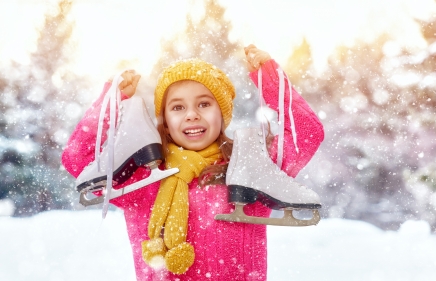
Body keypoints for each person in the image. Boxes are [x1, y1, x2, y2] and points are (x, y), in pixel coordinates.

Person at [61, 44, 324, 281]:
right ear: (164, 119)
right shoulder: (143, 178)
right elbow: (78, 160)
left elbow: (308, 132)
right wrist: (111, 104)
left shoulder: (250, 170)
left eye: (204, 104)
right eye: (177, 107)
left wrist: (271, 80)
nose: (191, 115)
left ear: (222, 114)